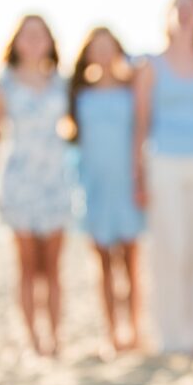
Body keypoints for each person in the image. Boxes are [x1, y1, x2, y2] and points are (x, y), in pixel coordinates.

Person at [0, 14, 73, 357]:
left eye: (39, 34)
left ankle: (56, 337)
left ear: (50, 41)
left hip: (55, 178)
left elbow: (77, 128)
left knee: (53, 268)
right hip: (17, 179)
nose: (33, 41)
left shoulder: (61, 82)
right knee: (28, 268)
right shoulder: (5, 82)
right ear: (15, 42)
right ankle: (33, 341)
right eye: (26, 35)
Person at [133, 0, 193, 355]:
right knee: (172, 249)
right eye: (179, 8)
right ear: (166, 17)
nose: (186, 15)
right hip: (163, 162)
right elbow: (140, 123)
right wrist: (137, 174)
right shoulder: (150, 65)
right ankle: (173, 337)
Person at [66, 26, 145, 354]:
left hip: (126, 184)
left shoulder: (131, 90)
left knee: (130, 264)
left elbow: (140, 133)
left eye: (107, 46)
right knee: (102, 266)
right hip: (93, 186)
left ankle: (134, 331)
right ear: (86, 54)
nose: (101, 53)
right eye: (95, 47)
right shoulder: (76, 95)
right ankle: (111, 334)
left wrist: (140, 179)